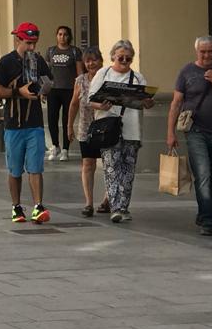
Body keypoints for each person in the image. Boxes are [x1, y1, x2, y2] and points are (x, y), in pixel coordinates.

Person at [167, 35, 212, 236]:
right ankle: (208, 220)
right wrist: (170, 132)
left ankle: (204, 212)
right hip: (195, 131)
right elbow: (176, 103)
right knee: (203, 176)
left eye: (210, 51)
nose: (206, 55)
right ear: (197, 52)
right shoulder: (187, 71)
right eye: (203, 51)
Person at [0, 22, 52, 224]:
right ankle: (16, 207)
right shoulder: (6, 62)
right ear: (18, 40)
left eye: (34, 43)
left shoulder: (38, 60)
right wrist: (19, 92)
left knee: (36, 167)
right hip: (13, 124)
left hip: (34, 122)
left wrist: (43, 90)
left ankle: (38, 206)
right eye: (28, 43)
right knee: (15, 169)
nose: (32, 47)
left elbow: (48, 83)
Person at [88, 40, 155, 223]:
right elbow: (90, 99)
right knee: (111, 169)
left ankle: (124, 207)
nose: (124, 61)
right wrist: (100, 104)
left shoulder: (138, 77)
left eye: (128, 58)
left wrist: (148, 102)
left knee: (127, 171)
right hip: (108, 128)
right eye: (120, 57)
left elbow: (146, 102)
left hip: (132, 130)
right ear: (113, 57)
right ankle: (116, 207)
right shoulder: (104, 73)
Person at [67, 47, 109, 217]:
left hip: (106, 128)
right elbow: (73, 104)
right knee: (88, 164)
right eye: (88, 61)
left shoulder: (108, 79)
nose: (91, 64)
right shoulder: (80, 81)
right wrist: (69, 126)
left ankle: (108, 199)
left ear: (101, 61)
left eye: (94, 60)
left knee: (109, 164)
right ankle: (89, 202)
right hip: (86, 129)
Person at [46, 25, 83, 162]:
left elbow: (80, 73)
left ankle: (65, 149)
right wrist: (44, 89)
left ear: (69, 36)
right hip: (53, 90)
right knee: (52, 118)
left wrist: (80, 89)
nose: (62, 37)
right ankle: (55, 146)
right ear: (56, 36)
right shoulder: (50, 51)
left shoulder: (74, 51)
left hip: (69, 90)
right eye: (60, 34)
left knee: (67, 119)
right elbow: (46, 72)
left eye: (65, 34)